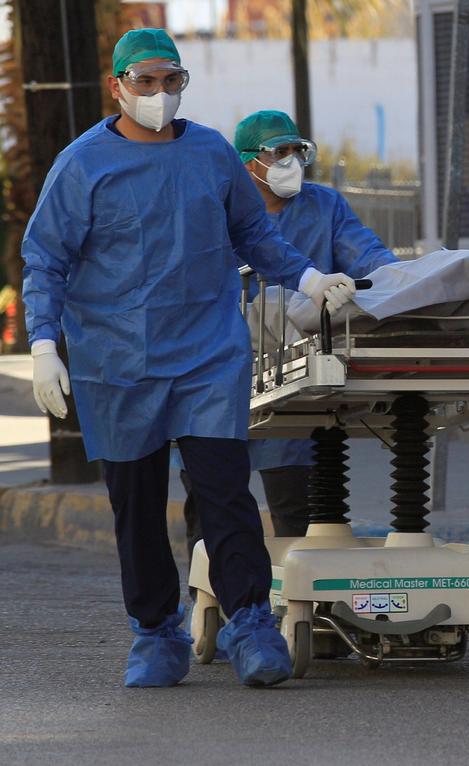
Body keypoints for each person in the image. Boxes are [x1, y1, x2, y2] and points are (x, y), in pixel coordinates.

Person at [22, 29, 360, 689]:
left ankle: (251, 625)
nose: (159, 93)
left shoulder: (210, 153)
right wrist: (42, 344)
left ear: (183, 82)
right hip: (117, 360)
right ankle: (156, 633)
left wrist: (309, 278)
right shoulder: (82, 164)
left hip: (207, 351)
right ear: (117, 86)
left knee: (224, 492)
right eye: (144, 81)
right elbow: (45, 259)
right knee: (137, 503)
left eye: (170, 80)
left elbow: (254, 234)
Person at [177, 110, 398, 553]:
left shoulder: (324, 207)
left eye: (298, 151)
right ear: (246, 162)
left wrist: (403, 281)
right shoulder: (214, 211)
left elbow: (369, 257)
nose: (291, 161)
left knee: (299, 510)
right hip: (218, 371)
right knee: (211, 509)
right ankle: (211, 590)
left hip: (296, 372)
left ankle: (302, 591)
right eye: (279, 152)